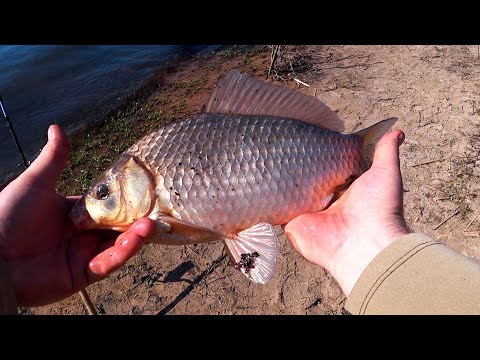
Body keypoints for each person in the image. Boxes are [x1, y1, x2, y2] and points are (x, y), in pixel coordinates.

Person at [0, 125, 479, 315]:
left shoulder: (157, 196)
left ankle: (356, 152)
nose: (92, 203)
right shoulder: (146, 179)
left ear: (137, 181)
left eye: (104, 194)